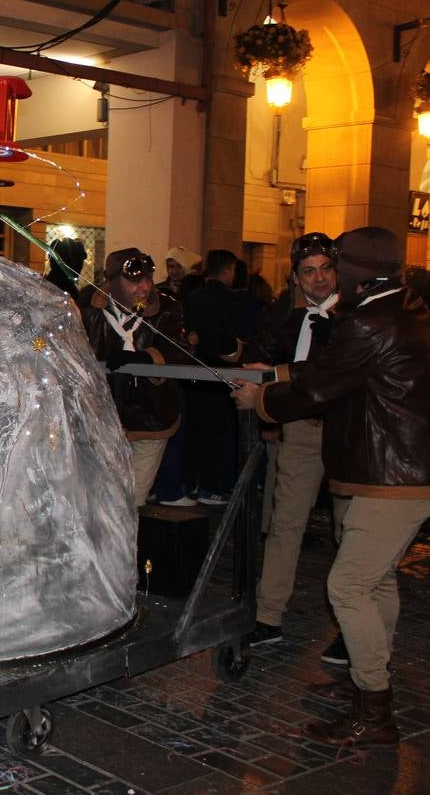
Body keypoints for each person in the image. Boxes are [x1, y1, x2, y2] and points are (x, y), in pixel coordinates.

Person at [233, 227, 429, 749]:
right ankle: (369, 677)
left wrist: (262, 403)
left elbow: (320, 385)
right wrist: (276, 374)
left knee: (347, 586)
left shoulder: (370, 319)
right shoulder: (406, 308)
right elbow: (330, 369)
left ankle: (374, 709)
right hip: (393, 470)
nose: (329, 275)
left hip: (391, 475)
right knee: (378, 580)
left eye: (335, 264)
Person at [241, 232, 339, 649]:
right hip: (301, 429)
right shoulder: (286, 313)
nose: (319, 279)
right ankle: (268, 616)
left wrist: (277, 374)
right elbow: (263, 350)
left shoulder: (354, 316)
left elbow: (328, 373)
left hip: (348, 432)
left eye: (326, 269)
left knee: (351, 532)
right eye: (309, 271)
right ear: (296, 278)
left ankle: (351, 632)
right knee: (285, 524)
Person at [79, 249, 188, 507]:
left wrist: (147, 358)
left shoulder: (167, 307)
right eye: (136, 281)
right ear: (114, 282)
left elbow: (179, 349)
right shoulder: (90, 307)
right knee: (99, 502)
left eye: (149, 279)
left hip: (151, 417)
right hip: (101, 420)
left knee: (131, 503)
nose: (145, 288)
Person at [182, 249, 246, 506]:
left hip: (195, 370)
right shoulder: (233, 301)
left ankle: (193, 482)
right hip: (223, 370)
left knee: (195, 430)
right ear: (229, 270)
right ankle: (215, 486)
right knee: (220, 432)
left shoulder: (193, 297)